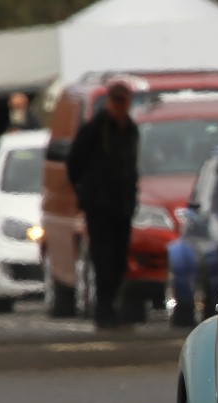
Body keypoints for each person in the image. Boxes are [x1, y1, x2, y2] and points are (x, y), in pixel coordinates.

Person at [66, 81, 139, 330]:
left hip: (122, 206)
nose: (119, 106)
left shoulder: (129, 129)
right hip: (99, 207)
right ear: (109, 102)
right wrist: (86, 194)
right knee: (103, 259)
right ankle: (103, 310)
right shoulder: (94, 129)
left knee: (118, 260)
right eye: (116, 101)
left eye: (123, 101)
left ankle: (112, 309)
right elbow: (74, 164)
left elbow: (131, 166)